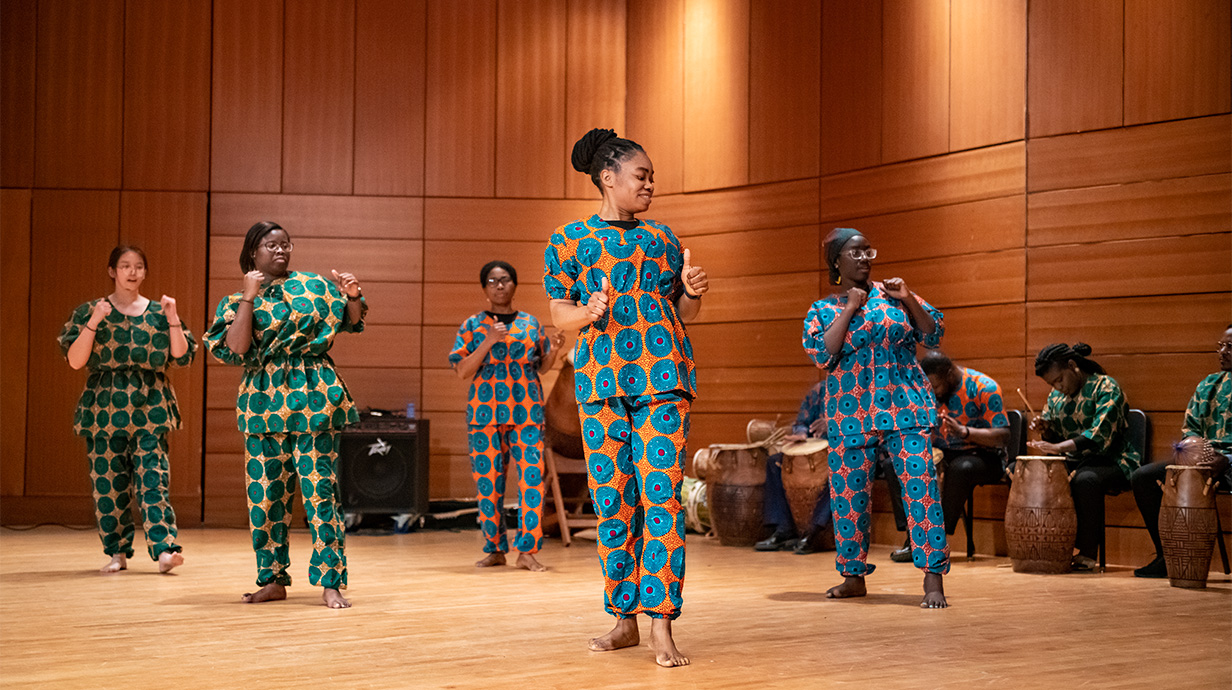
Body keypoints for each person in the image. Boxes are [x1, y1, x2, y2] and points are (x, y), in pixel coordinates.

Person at [544, 128, 708, 667]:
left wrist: (690, 291)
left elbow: (685, 316)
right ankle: (624, 621)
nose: (651, 185)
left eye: (652, 177)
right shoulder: (569, 239)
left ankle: (662, 626)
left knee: (661, 500)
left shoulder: (663, 238)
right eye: (642, 176)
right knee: (614, 503)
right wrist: (585, 312)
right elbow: (558, 315)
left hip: (663, 380)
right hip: (601, 385)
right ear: (608, 178)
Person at [205, 221, 366, 609]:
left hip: (313, 396)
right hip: (263, 403)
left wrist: (353, 295)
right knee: (265, 499)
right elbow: (237, 347)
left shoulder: (314, 286)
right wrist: (249, 296)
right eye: (269, 244)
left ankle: (330, 581)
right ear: (252, 253)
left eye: (284, 244)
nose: (279, 250)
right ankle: (272, 579)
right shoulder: (235, 299)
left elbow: (352, 321)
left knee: (320, 493)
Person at [802, 227, 950, 608]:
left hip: (906, 407)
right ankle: (853, 577)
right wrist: (851, 306)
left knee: (922, 489)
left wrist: (909, 299)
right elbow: (823, 355)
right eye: (855, 253)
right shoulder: (824, 310)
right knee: (849, 496)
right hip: (851, 413)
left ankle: (933, 579)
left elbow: (933, 335)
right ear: (836, 262)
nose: (865, 258)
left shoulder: (896, 297)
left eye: (868, 250)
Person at [58, 245, 195, 574]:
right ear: (112, 271)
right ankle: (116, 552)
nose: (132, 272)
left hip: (151, 406)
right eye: (124, 266)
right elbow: (76, 361)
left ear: (145, 272)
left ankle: (164, 550)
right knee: (108, 483)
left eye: (138, 266)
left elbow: (182, 356)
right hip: (103, 408)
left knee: (154, 481)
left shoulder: (161, 312)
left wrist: (173, 318)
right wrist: (94, 321)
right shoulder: (90, 310)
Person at [449, 260, 566, 572]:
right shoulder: (473, 326)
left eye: (505, 280)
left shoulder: (530, 324)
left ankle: (527, 551)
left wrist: (553, 351)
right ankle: (495, 549)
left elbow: (540, 367)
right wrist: (488, 341)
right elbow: (462, 370)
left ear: (515, 285)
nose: (499, 285)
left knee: (531, 483)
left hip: (527, 413)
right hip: (484, 416)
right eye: (492, 281)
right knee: (488, 485)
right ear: (484, 288)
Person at [885, 350, 1010, 562]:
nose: (931, 393)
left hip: (982, 454)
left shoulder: (984, 387)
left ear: (950, 374)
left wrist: (964, 432)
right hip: (942, 452)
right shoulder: (925, 392)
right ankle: (913, 536)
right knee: (894, 464)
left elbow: (1003, 436)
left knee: (961, 469)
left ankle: (936, 539)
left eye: (935, 387)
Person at [1027, 342, 1140, 571]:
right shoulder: (1056, 396)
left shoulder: (1106, 387)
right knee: (1032, 475)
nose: (1057, 387)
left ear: (1072, 365)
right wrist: (1045, 427)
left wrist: (1057, 448)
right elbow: (1054, 434)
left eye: (1059, 380)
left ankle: (1087, 553)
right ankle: (1047, 545)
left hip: (1113, 460)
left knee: (1086, 480)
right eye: (1052, 384)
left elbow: (1098, 435)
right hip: (1077, 461)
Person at [1130, 325, 1232, 578]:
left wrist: (1227, 460)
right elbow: (1191, 428)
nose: (1222, 352)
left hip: (1229, 462)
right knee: (1145, 477)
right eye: (1220, 346)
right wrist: (1196, 453)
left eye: (1230, 347)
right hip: (1205, 460)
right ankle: (1168, 555)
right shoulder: (1209, 383)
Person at [754, 381, 833, 554]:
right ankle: (784, 528)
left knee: (840, 470)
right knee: (775, 462)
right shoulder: (820, 390)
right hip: (815, 451)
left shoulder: (858, 388)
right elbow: (802, 421)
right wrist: (801, 434)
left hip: (848, 450)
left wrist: (833, 424)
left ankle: (815, 531)